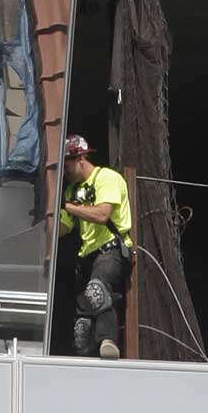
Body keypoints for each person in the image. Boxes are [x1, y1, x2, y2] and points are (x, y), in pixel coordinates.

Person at [59, 134, 133, 360]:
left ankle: (108, 340)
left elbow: (102, 214)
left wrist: (69, 207)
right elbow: (63, 228)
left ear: (81, 158)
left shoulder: (106, 178)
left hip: (111, 249)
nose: (66, 171)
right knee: (82, 324)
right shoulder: (72, 192)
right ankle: (85, 356)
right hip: (87, 255)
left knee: (97, 290)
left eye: (68, 165)